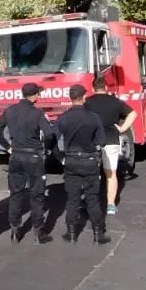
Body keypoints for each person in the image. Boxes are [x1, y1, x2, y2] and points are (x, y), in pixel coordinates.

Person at [0, 82, 57, 244]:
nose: (39, 96)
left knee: (15, 194)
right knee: (37, 195)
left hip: (16, 156)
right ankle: (38, 232)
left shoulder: (10, 111)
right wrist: (47, 150)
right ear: (34, 96)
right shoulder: (38, 113)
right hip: (33, 156)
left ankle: (15, 229)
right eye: (38, 94)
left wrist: (8, 147)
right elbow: (49, 134)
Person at [54, 84, 111, 245]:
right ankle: (98, 234)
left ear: (70, 98)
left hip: (71, 160)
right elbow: (102, 141)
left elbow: (51, 139)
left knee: (72, 199)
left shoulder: (63, 118)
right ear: (84, 97)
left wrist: (60, 157)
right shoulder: (93, 117)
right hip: (90, 160)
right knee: (92, 198)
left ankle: (71, 233)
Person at [83, 78, 136, 215]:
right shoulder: (115, 101)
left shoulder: (87, 102)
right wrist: (123, 128)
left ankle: (90, 203)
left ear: (93, 88)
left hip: (92, 141)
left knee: (91, 173)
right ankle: (111, 205)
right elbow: (133, 113)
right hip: (111, 139)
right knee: (111, 173)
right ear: (106, 87)